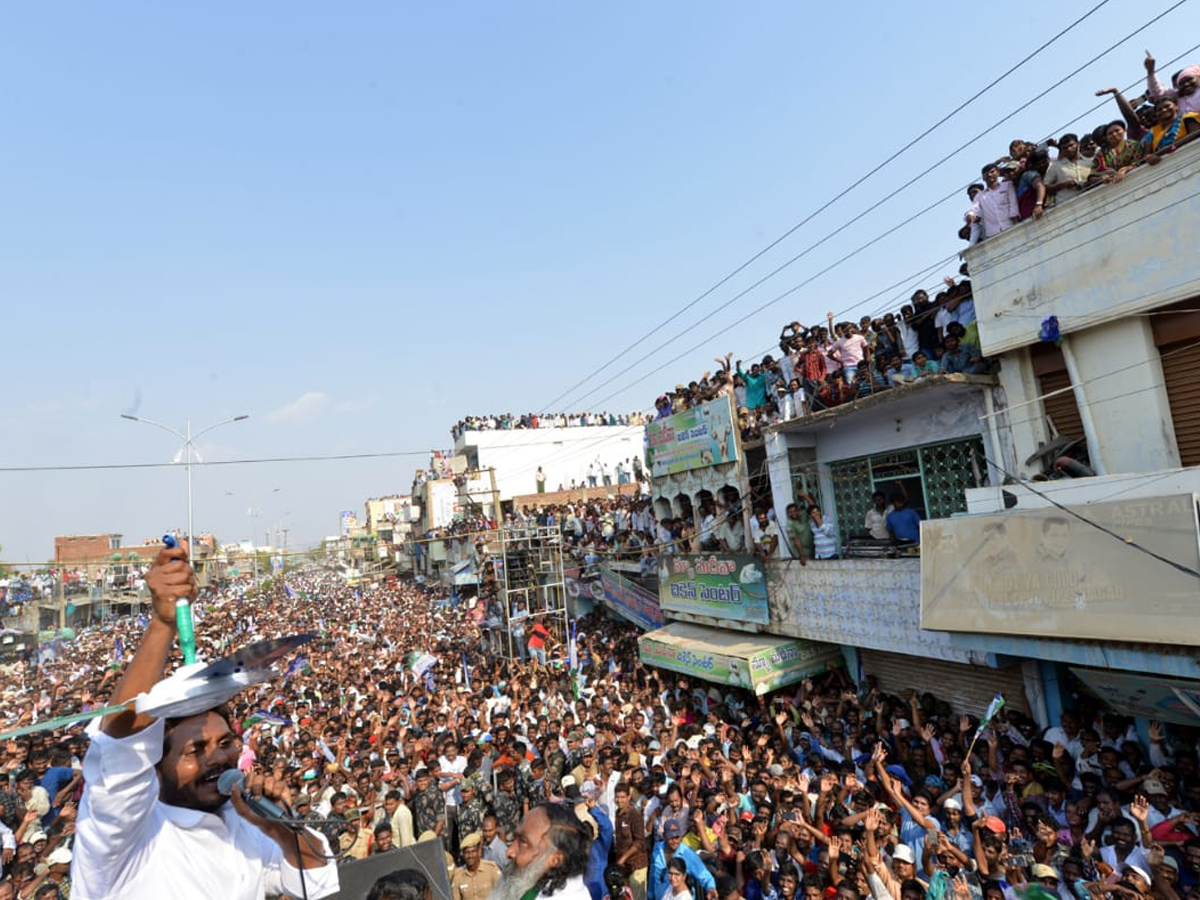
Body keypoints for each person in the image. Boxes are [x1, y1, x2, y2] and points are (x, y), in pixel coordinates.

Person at [72, 541, 339, 900]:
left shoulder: (244, 822)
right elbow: (122, 745)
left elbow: (316, 881)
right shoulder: (125, 838)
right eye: (195, 749)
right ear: (153, 766)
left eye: (225, 743)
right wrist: (162, 624)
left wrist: (278, 828)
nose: (216, 758)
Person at [494, 803, 593, 900]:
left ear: (555, 859)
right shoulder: (535, 883)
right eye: (515, 838)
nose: (509, 852)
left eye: (523, 842)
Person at [647, 821, 715, 900]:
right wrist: (650, 895)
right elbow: (653, 874)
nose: (674, 841)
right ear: (664, 836)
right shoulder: (657, 848)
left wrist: (711, 888)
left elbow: (704, 875)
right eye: (671, 837)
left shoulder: (687, 853)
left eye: (677, 837)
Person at [453, 832, 502, 900]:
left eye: (473, 851)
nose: (470, 856)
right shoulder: (458, 875)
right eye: (467, 852)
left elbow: (502, 894)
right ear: (463, 855)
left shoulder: (491, 869)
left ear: (478, 851)